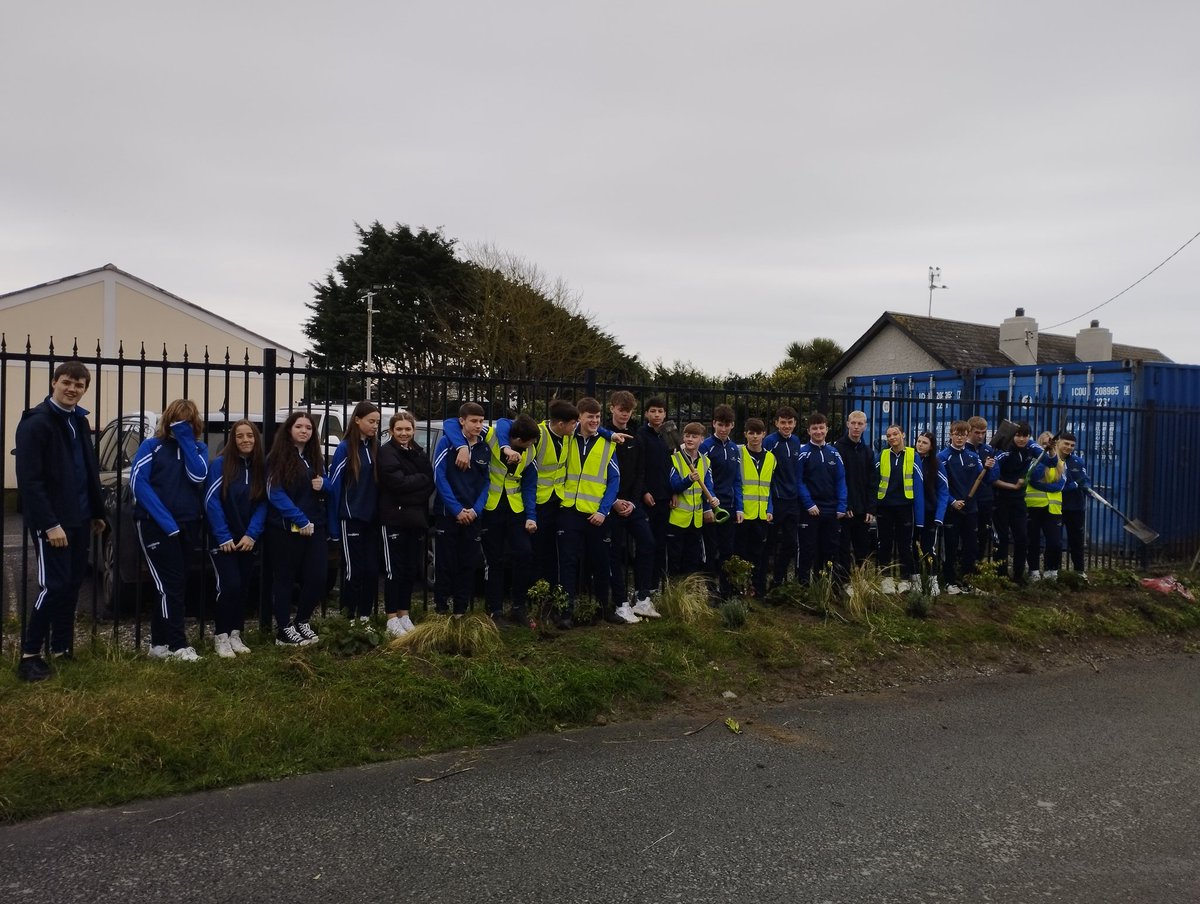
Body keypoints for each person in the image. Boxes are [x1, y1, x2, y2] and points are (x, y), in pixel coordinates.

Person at [14, 361, 106, 681]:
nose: (72, 389)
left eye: (79, 386)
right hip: (53, 523)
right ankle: (29, 655)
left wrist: (96, 512)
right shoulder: (36, 423)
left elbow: (86, 470)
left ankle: (62, 649)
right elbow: (30, 481)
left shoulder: (79, 422)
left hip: (79, 519)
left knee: (69, 587)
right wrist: (50, 524)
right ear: (54, 382)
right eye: (66, 382)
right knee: (52, 587)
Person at [131, 399, 209, 660]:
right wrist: (167, 523)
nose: (181, 426)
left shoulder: (198, 448)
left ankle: (159, 644)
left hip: (189, 524)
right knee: (170, 585)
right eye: (177, 421)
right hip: (157, 526)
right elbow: (139, 484)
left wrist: (186, 440)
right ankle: (178, 645)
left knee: (172, 585)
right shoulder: (151, 446)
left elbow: (198, 476)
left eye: (187, 422)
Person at [556, 397, 625, 628]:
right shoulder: (568, 437)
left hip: (597, 514)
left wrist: (604, 511)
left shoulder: (608, 443)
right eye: (590, 416)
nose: (594, 421)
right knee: (567, 562)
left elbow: (614, 480)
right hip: (570, 511)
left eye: (597, 417)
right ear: (579, 418)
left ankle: (603, 609)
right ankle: (565, 611)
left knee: (601, 561)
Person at [265, 411, 331, 646]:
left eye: (309, 428)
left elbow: (328, 483)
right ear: (289, 430)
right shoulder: (276, 458)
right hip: (285, 529)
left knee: (317, 577)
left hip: (315, 527)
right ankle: (283, 629)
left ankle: (302, 621)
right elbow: (275, 493)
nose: (304, 431)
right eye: (299, 427)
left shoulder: (315, 457)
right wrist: (300, 519)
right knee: (284, 578)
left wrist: (325, 484)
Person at [204, 419, 266, 657]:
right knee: (228, 586)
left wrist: (252, 534)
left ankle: (235, 634)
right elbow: (212, 500)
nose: (245, 440)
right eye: (240, 436)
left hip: (247, 540)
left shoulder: (260, 467)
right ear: (233, 439)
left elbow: (263, 504)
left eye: (249, 435)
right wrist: (222, 535)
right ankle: (221, 636)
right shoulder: (220, 464)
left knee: (242, 588)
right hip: (225, 541)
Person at [477, 414, 540, 626]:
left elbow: (530, 485)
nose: (532, 446)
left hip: (516, 509)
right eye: (529, 442)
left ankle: (518, 607)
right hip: (491, 507)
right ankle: (494, 610)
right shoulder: (496, 437)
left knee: (525, 553)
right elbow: (503, 421)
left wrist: (531, 516)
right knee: (494, 560)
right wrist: (506, 448)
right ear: (518, 440)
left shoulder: (530, 452)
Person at [431, 403, 491, 616]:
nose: (478, 425)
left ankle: (460, 610)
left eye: (481, 421)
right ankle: (441, 610)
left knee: (468, 565)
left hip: (473, 516)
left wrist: (475, 510)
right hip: (449, 515)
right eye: (473, 421)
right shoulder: (447, 443)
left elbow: (486, 483)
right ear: (462, 421)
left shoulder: (485, 447)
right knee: (445, 564)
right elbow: (440, 477)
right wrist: (456, 509)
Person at [378, 411, 434, 637]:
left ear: (413, 431)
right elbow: (396, 484)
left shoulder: (419, 452)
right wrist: (417, 483)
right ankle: (391, 617)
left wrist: (415, 486)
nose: (403, 433)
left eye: (407, 429)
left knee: (410, 570)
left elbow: (429, 481)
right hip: (393, 520)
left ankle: (404, 613)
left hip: (415, 520)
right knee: (395, 571)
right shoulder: (386, 453)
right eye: (399, 429)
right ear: (392, 431)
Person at [606, 391, 659, 618]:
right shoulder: (604, 435)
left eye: (628, 411)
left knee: (648, 543)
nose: (624, 415)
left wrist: (634, 501)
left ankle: (642, 598)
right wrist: (615, 501)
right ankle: (620, 602)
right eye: (621, 410)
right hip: (609, 505)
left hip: (632, 504)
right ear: (612, 408)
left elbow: (640, 472)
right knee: (616, 553)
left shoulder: (636, 437)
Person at [330, 401, 382, 623]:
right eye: (371, 421)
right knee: (353, 570)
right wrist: (334, 523)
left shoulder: (374, 446)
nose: (375, 426)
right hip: (351, 518)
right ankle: (347, 618)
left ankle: (364, 616)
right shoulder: (345, 448)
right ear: (357, 420)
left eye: (377, 423)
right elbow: (334, 486)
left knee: (372, 571)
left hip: (372, 518)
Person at [795, 413, 847, 586]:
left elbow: (841, 480)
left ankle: (827, 586)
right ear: (809, 431)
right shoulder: (803, 453)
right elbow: (799, 481)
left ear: (827, 429)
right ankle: (803, 585)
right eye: (814, 428)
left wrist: (842, 505)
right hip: (811, 510)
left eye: (821, 428)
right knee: (808, 548)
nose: (818, 431)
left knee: (831, 549)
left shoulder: (834, 453)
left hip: (832, 509)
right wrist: (809, 504)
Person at [873, 425, 924, 593]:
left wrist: (919, 512)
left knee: (905, 545)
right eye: (888, 435)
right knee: (884, 543)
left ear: (903, 434)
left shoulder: (912, 455)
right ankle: (886, 578)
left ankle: (904, 579)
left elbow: (918, 483)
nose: (892, 437)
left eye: (895, 434)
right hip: (885, 506)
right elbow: (874, 478)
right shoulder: (883, 455)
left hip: (904, 506)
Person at [700, 404, 743, 598]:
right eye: (720, 424)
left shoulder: (735, 449)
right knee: (711, 549)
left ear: (732, 425)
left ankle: (726, 588)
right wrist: (707, 507)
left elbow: (737, 480)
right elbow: (701, 480)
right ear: (713, 424)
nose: (723, 428)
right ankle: (710, 589)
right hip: (711, 508)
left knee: (727, 550)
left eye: (727, 425)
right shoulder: (706, 447)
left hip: (729, 507)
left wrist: (739, 507)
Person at [989, 422, 1039, 584]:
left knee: (1022, 538)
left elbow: (1051, 461)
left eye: (1025, 435)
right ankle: (1001, 575)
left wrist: (1051, 448)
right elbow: (993, 479)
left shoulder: (1030, 450)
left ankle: (1018, 575)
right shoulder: (1003, 452)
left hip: (1019, 501)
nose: (1021, 439)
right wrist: (1013, 486)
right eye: (1018, 435)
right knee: (1002, 539)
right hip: (1001, 501)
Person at [937, 421, 984, 594]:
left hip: (971, 509)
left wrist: (990, 467)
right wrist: (952, 501)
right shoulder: (942, 456)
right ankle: (950, 581)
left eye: (963, 434)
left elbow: (984, 476)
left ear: (967, 435)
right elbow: (939, 486)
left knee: (971, 547)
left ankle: (967, 581)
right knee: (950, 546)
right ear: (950, 434)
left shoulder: (973, 456)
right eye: (956, 434)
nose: (960, 437)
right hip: (952, 509)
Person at [667, 422, 715, 578]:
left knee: (692, 559)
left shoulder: (706, 462)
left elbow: (708, 486)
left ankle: (689, 595)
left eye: (694, 436)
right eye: (687, 435)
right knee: (675, 558)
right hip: (678, 519)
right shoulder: (675, 459)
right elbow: (673, 486)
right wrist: (688, 479)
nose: (690, 439)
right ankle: (674, 594)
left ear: (702, 439)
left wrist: (712, 499)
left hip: (696, 520)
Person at [763, 406, 804, 586]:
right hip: (776, 500)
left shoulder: (796, 441)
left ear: (795, 424)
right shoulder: (769, 442)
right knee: (768, 543)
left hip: (792, 501)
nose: (786, 426)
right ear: (776, 423)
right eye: (783, 423)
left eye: (790, 423)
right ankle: (760, 582)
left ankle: (778, 580)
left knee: (790, 543)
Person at [735, 417, 776, 598]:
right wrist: (739, 508)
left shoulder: (770, 458)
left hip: (761, 515)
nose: (754, 437)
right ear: (745, 434)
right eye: (751, 433)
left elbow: (770, 487)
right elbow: (736, 484)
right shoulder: (738, 453)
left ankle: (757, 589)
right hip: (744, 514)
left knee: (758, 555)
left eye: (758, 433)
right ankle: (739, 588)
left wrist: (770, 509)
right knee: (740, 553)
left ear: (764, 435)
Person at [834, 410, 877, 577]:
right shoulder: (838, 448)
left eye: (860, 424)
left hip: (863, 511)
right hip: (846, 510)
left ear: (865, 426)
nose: (856, 427)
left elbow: (872, 482)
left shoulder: (867, 452)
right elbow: (838, 480)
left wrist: (871, 509)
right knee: (843, 549)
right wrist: (846, 505)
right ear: (847, 424)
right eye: (853, 423)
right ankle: (843, 582)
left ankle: (861, 583)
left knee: (863, 549)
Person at [638, 397, 674, 590]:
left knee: (661, 544)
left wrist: (673, 492)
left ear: (665, 414)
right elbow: (639, 467)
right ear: (646, 414)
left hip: (664, 497)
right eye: (653, 411)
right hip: (647, 499)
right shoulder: (641, 435)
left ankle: (655, 586)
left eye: (660, 411)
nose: (657, 415)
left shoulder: (667, 437)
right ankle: (641, 586)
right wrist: (644, 491)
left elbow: (672, 467)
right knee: (647, 544)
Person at [1026, 437, 1066, 581]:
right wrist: (1044, 457)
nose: (1047, 447)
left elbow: (1060, 484)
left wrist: (1044, 485)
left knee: (1055, 542)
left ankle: (1051, 570)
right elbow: (1032, 477)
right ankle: (1034, 570)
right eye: (1044, 444)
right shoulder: (1034, 462)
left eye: (1051, 445)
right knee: (1033, 541)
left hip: (1053, 508)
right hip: (1034, 506)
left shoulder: (1060, 463)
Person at [913, 431, 949, 595]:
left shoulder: (936, 463)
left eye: (924, 442)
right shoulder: (910, 459)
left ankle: (932, 580)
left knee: (928, 548)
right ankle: (915, 580)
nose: (920, 444)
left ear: (931, 446)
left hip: (929, 513)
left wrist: (939, 516)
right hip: (911, 512)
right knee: (912, 546)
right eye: (919, 441)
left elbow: (943, 491)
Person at [1056, 432, 1091, 577]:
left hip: (1076, 508)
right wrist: (1075, 484)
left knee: (1076, 541)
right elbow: (1059, 485)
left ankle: (1079, 573)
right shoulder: (1052, 461)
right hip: (1057, 507)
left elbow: (1085, 480)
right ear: (1058, 443)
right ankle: (1054, 571)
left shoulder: (1077, 461)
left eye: (1072, 445)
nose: (1069, 447)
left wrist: (1087, 488)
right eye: (1066, 444)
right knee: (1055, 542)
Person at [966, 416, 998, 562]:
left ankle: (979, 563)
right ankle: (966, 564)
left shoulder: (988, 449)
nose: (980, 436)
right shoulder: (963, 449)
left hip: (986, 498)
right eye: (977, 432)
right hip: (969, 497)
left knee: (983, 533)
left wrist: (989, 468)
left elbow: (993, 477)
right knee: (968, 534)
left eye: (983, 433)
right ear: (969, 431)